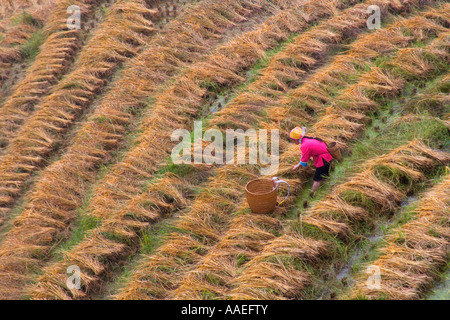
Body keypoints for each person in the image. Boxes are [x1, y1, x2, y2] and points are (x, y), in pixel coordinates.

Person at [290, 127, 333, 197]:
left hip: (323, 159)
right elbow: (304, 155)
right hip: (327, 157)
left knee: (317, 179)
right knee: (324, 175)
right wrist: (298, 164)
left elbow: (304, 161)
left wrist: (301, 165)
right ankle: (327, 188)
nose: (293, 142)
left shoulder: (304, 145)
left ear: (296, 140)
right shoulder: (306, 139)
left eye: (293, 140)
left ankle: (312, 194)